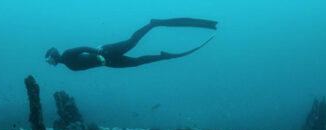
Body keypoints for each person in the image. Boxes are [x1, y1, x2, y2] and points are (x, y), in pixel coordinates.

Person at [45, 18, 217, 71]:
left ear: (52, 56)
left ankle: (153, 24)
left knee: (132, 42)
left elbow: (83, 48)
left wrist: (98, 53)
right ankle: (164, 56)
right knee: (137, 62)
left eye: (48, 60)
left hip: (106, 53)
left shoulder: (67, 55)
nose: (49, 63)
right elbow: (88, 63)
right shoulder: (68, 65)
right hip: (108, 63)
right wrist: (101, 60)